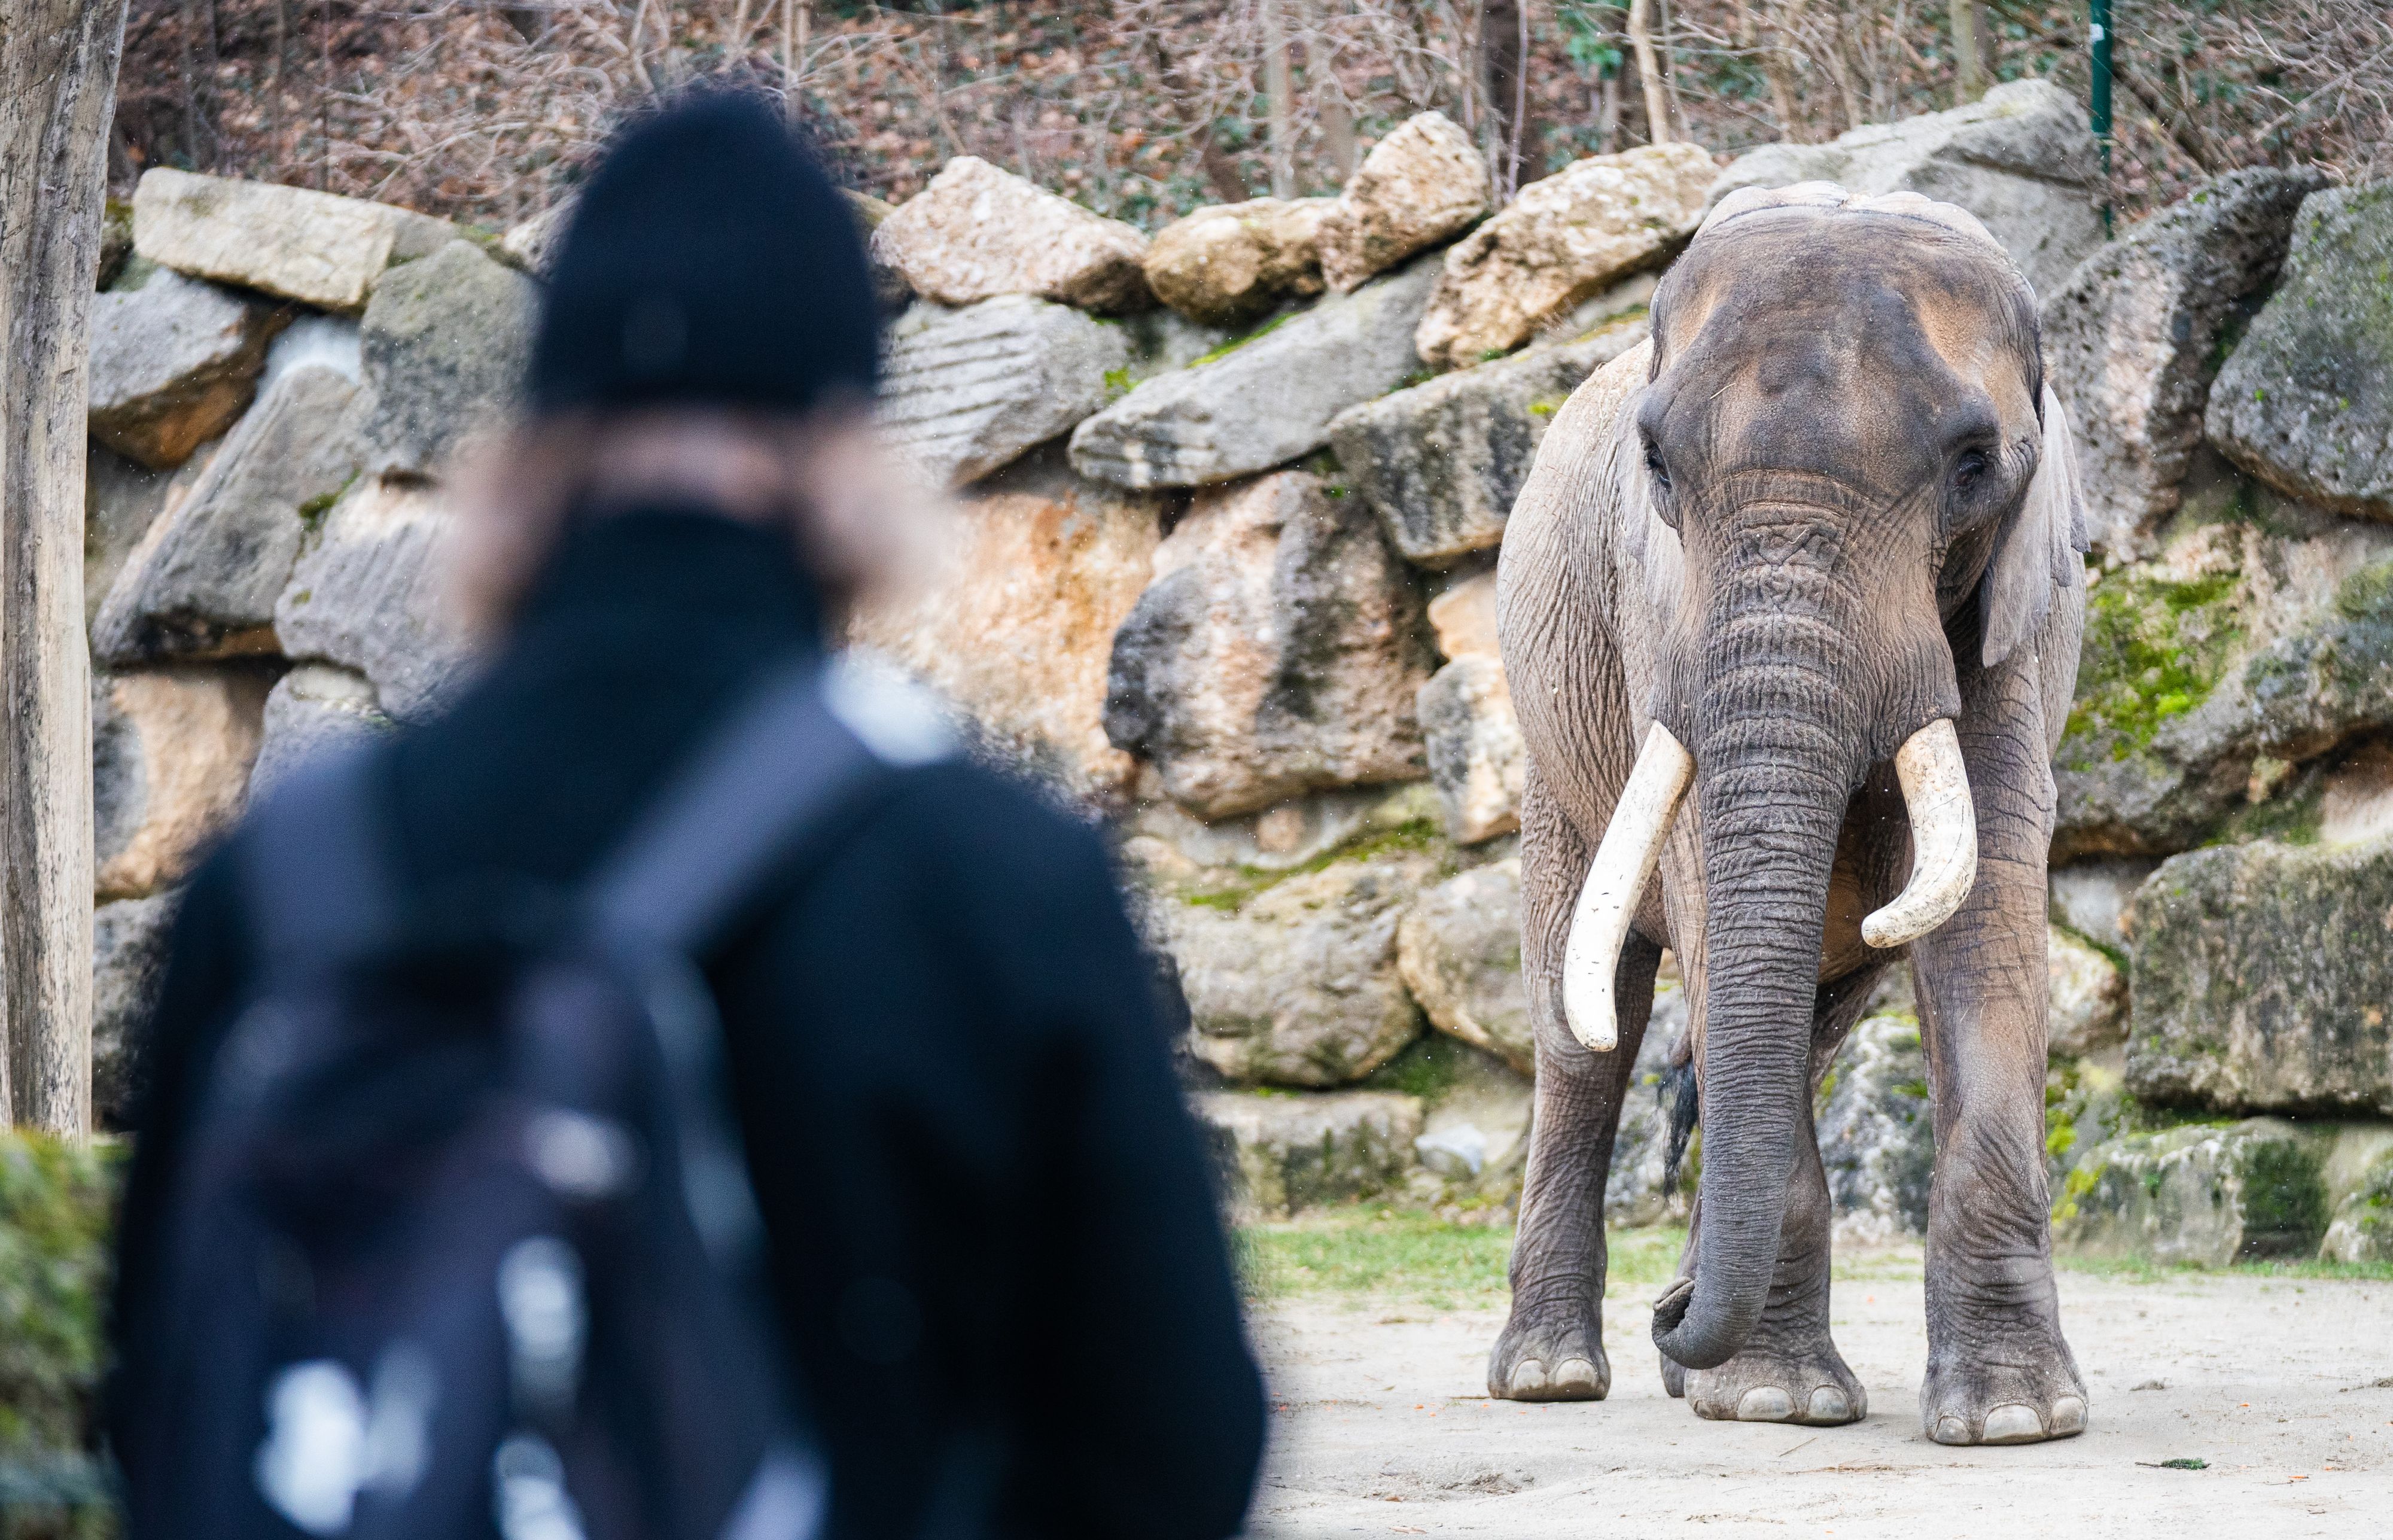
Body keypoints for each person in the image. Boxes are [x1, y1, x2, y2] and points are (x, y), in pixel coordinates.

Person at [109, 89, 1268, 1540]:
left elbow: (158, 1402)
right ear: (847, 448)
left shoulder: (283, 879)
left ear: (535, 445)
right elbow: (1175, 1448)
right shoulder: (985, 875)